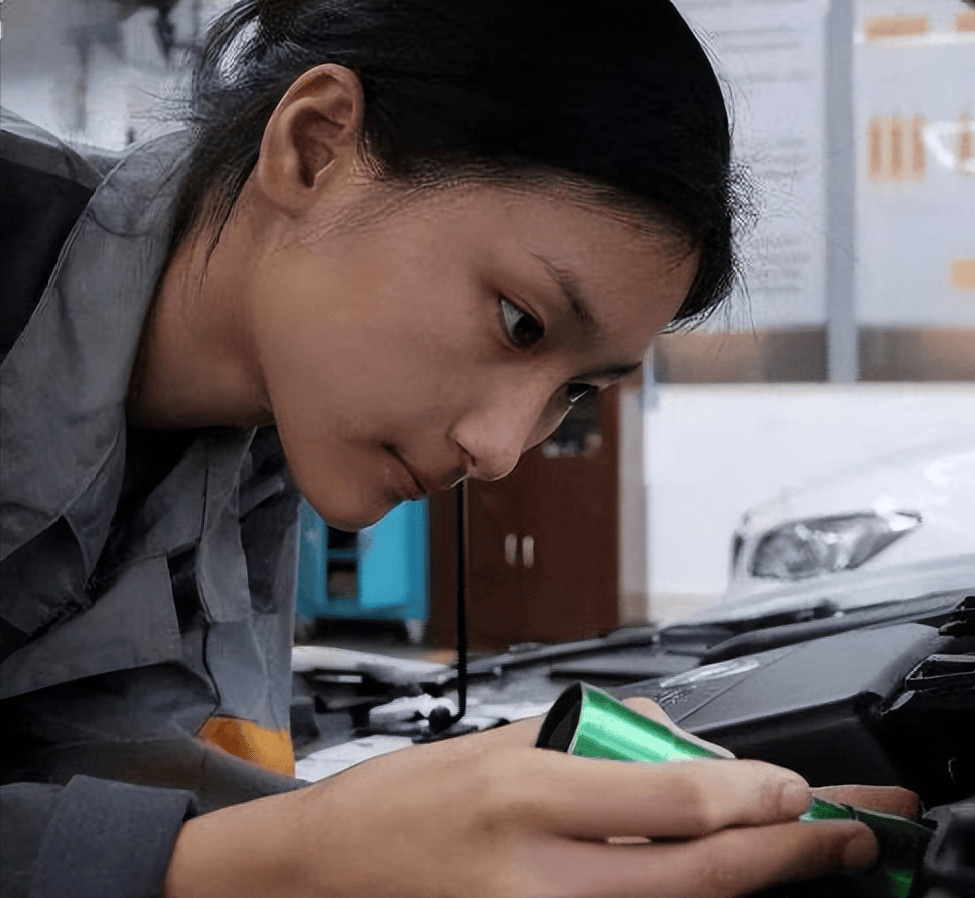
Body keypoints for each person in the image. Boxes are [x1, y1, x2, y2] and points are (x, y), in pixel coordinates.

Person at [0, 0, 918, 895]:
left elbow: (123, 791)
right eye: (520, 321)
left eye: (576, 391)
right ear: (315, 146)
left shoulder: (263, 440)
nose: (500, 450)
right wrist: (296, 854)